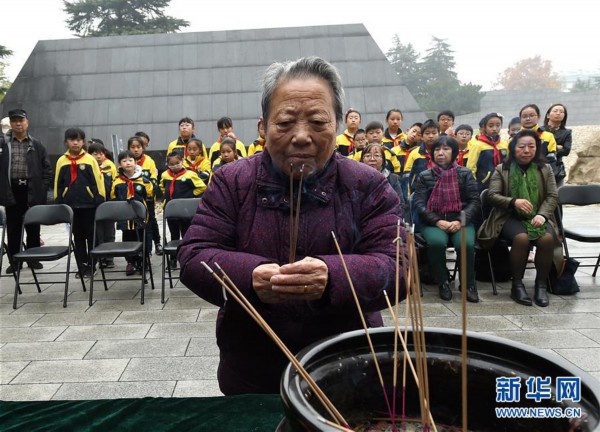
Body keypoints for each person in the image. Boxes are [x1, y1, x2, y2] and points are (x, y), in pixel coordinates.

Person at [178, 56, 404, 395]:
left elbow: (398, 266)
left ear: (339, 125)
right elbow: (194, 255)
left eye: (317, 121)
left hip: (349, 361)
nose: (301, 136)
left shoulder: (366, 185)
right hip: (253, 363)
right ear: (263, 126)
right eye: (285, 122)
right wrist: (250, 277)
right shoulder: (231, 181)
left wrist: (333, 276)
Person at [478, 130, 563, 307]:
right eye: (522, 146)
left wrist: (542, 214)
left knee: (546, 238)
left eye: (531, 146)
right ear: (513, 148)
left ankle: (541, 285)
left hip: (537, 216)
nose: (526, 150)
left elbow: (552, 196)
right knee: (522, 238)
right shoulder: (502, 169)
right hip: (508, 216)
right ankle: (517, 285)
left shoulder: (545, 169)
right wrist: (513, 201)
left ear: (537, 149)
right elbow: (492, 195)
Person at [412, 136, 480, 302]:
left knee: (466, 244)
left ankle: (468, 284)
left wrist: (459, 221)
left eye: (446, 149)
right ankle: (443, 282)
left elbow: (474, 201)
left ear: (454, 152)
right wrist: (437, 221)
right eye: (437, 149)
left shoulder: (465, 174)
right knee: (436, 243)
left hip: (461, 221)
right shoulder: (424, 175)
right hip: (433, 222)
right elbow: (419, 204)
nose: (440, 153)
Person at [0, 109, 52, 273]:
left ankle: (33, 259)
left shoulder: (36, 144)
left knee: (33, 226)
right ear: (11, 123)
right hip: (11, 189)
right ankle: (15, 261)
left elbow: (47, 169)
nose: (18, 123)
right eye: (14, 120)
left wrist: (43, 187)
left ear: (27, 122)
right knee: (14, 227)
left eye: (21, 120)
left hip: (31, 190)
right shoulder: (3, 144)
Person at [54, 128, 106, 278]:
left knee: (91, 235)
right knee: (77, 237)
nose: (75, 142)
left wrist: (99, 199)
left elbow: (98, 180)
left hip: (89, 204)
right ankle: (81, 265)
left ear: (83, 142)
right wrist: (60, 201)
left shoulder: (90, 159)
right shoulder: (61, 161)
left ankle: (92, 264)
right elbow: (58, 181)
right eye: (72, 139)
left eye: (78, 139)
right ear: (66, 142)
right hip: (71, 206)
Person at [111, 149, 154, 276]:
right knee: (128, 238)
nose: (128, 163)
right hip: (125, 218)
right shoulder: (117, 181)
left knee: (142, 237)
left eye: (130, 160)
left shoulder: (144, 180)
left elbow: (150, 194)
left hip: (140, 217)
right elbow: (113, 196)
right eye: (124, 161)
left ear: (136, 162)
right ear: (120, 165)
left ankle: (144, 260)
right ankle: (131, 262)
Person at [160, 152, 206, 269]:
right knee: (173, 235)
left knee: (186, 234)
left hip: (185, 211)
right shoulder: (165, 175)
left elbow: (202, 187)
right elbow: (162, 186)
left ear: (182, 161)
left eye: (177, 163)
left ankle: (186, 257)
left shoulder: (190, 175)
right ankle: (173, 259)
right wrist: (166, 197)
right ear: (167, 164)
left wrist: (190, 195)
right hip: (171, 211)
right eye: (171, 164)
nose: (175, 166)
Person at [129, 136, 161, 255]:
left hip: (147, 198)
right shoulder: (127, 160)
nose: (136, 150)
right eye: (133, 147)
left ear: (143, 148)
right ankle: (135, 250)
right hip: (132, 199)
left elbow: (153, 178)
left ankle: (156, 243)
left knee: (151, 220)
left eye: (138, 147)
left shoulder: (149, 161)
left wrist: (148, 191)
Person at [88, 140, 117, 269]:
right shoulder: (89, 165)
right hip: (94, 205)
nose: (98, 156)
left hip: (109, 204)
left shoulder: (110, 165)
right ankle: (101, 257)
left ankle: (109, 258)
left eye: (101, 153)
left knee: (109, 232)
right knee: (98, 232)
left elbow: (115, 182)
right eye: (95, 154)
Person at [467, 113, 509, 192]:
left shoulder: (504, 144)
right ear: (485, 127)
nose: (494, 128)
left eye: (498, 125)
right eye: (491, 126)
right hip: (484, 184)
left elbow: (509, 162)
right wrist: (474, 184)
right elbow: (471, 167)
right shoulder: (477, 145)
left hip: (503, 182)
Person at [518, 104, 558, 173]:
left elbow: (552, 160)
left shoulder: (548, 137)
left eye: (531, 115)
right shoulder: (514, 139)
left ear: (538, 117)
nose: (528, 119)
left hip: (542, 175)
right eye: (524, 116)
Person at [404, 119, 440, 195]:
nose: (431, 136)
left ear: (439, 134)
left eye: (434, 133)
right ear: (422, 137)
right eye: (427, 133)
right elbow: (407, 176)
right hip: (418, 193)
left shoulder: (443, 153)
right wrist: (409, 195)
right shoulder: (414, 153)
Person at [541, 103, 572, 186]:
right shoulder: (540, 130)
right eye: (555, 111)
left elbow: (566, 150)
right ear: (548, 115)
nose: (558, 113)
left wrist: (548, 149)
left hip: (556, 168)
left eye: (561, 112)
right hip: (540, 166)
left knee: (558, 194)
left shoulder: (567, 132)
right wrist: (556, 146)